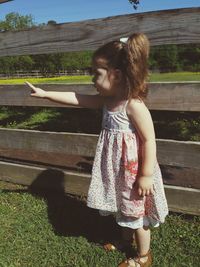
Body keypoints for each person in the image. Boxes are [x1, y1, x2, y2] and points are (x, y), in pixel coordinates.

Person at [26, 33, 168, 267]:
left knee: (136, 213)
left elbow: (150, 140)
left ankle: (143, 256)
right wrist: (45, 94)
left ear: (117, 75)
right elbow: (77, 98)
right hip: (116, 169)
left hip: (135, 173)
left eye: (96, 73)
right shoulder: (106, 101)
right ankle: (124, 240)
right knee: (122, 207)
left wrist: (145, 175)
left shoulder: (134, 105)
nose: (92, 79)